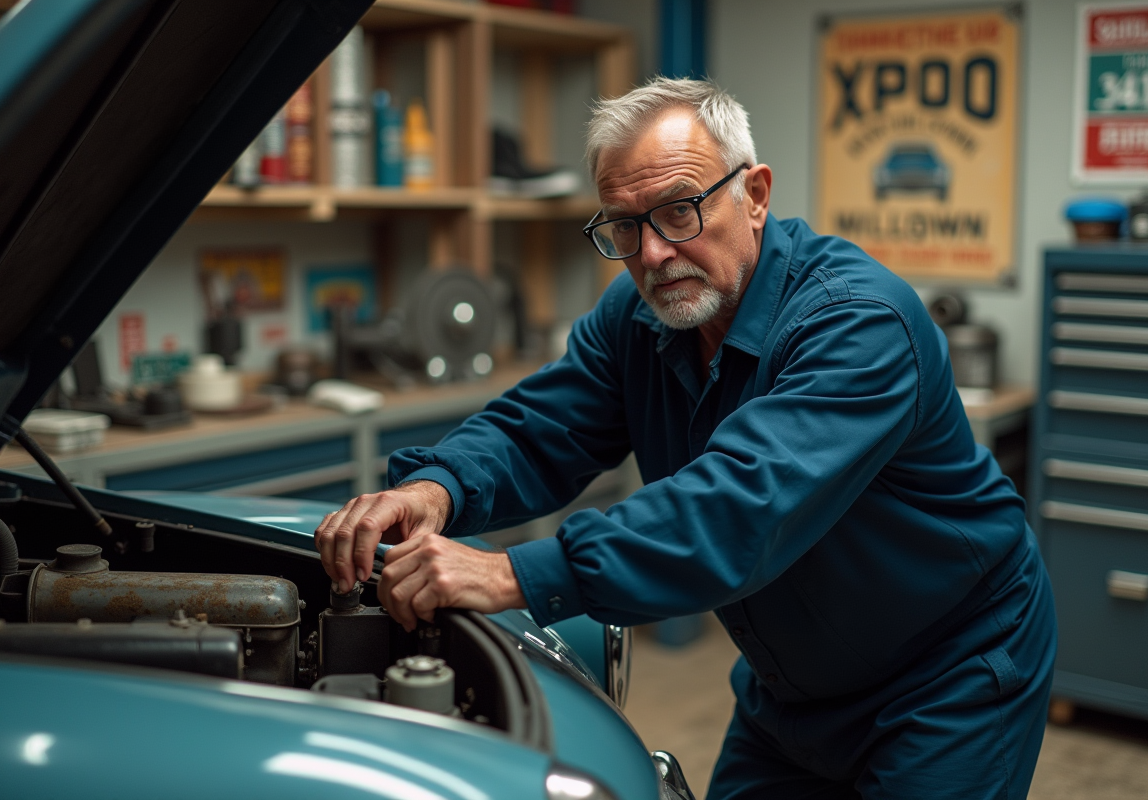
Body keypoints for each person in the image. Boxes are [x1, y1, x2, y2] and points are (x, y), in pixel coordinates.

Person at [314, 77, 1057, 799]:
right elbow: (541, 427)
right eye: (625, 225)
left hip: (948, 674)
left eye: (679, 211)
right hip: (793, 686)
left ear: (755, 195)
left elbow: (737, 508)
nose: (653, 254)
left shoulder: (858, 323)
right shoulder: (638, 317)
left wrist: (510, 577)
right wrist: (435, 486)